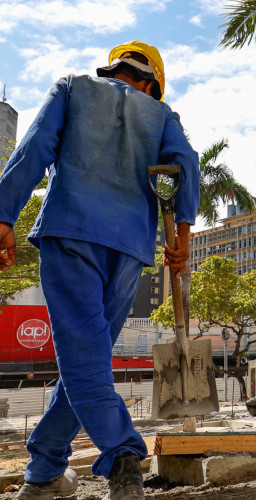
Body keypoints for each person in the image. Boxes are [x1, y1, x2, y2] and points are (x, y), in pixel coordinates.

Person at [0, 41, 200, 500]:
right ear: (151, 83)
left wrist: (4, 216)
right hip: (129, 250)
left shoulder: (72, 88)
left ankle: (123, 454)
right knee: (87, 359)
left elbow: (34, 150)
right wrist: (182, 239)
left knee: (83, 360)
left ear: (116, 70)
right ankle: (46, 467)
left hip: (70, 234)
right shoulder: (163, 115)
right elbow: (183, 166)